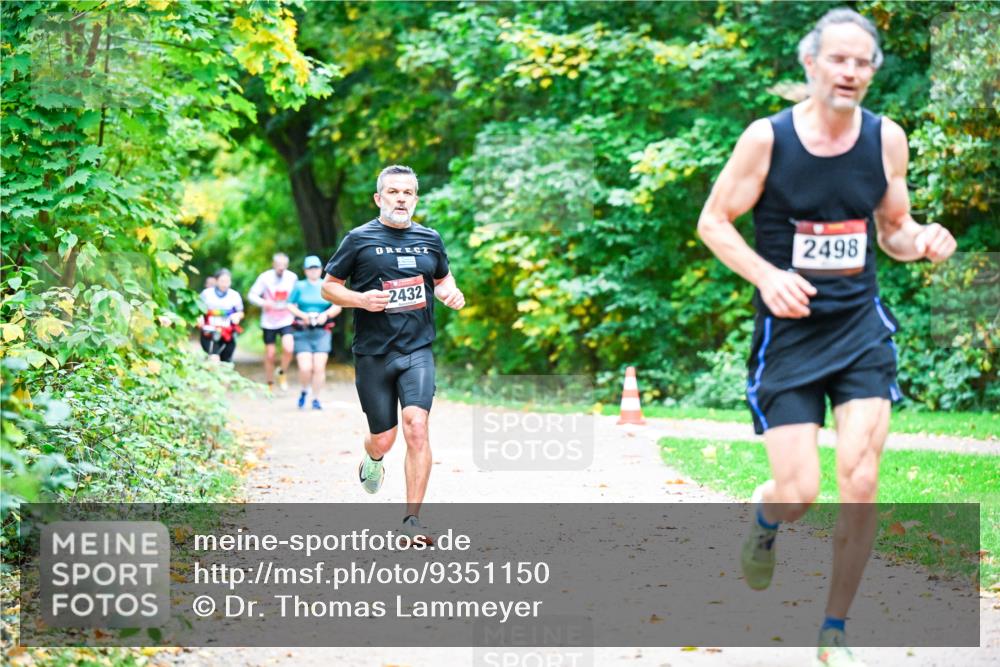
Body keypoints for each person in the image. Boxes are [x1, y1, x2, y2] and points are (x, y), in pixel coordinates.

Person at [696, 8, 956, 666]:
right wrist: (766, 275)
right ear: (810, 64)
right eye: (837, 59)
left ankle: (835, 627)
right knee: (799, 490)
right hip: (788, 336)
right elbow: (714, 222)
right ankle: (765, 521)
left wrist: (920, 240)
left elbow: (893, 228)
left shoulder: (885, 139)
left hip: (860, 328)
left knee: (861, 479)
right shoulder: (768, 140)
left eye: (862, 60)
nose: (850, 70)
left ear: (872, 71)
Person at [322, 165, 465, 542]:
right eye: (394, 192)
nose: (401, 198)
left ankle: (412, 521)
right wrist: (360, 300)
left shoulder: (430, 239)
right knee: (383, 438)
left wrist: (451, 292)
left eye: (408, 193)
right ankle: (373, 457)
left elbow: (442, 278)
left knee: (416, 425)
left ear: (415, 199)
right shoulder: (359, 239)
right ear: (379, 198)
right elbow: (329, 287)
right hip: (373, 353)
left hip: (417, 349)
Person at [288, 255, 343, 410]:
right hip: (303, 331)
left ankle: (316, 398)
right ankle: (305, 390)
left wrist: (325, 315)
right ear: (305, 270)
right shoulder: (299, 286)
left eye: (316, 268)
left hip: (322, 331)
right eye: (310, 268)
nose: (313, 271)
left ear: (321, 269)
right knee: (305, 367)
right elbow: (290, 305)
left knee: (319, 367)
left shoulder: (326, 285)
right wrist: (303, 316)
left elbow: (338, 305)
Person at [247, 253, 298, 391]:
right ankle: (270, 383)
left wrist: (295, 307)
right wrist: (264, 302)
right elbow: (251, 295)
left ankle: (282, 372)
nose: (281, 268)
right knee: (270, 354)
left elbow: (297, 296)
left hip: (286, 318)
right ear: (273, 264)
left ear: (287, 265)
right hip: (269, 321)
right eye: (278, 265)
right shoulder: (265, 277)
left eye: (284, 265)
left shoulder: (292, 277)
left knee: (289, 348)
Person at [198, 269, 244, 363]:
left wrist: (237, 316)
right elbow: (197, 311)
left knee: (226, 362)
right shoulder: (206, 294)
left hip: (228, 334)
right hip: (209, 333)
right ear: (216, 281)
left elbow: (241, 312)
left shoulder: (234, 295)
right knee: (214, 359)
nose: (224, 284)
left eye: (227, 281)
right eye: (222, 281)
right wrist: (199, 318)